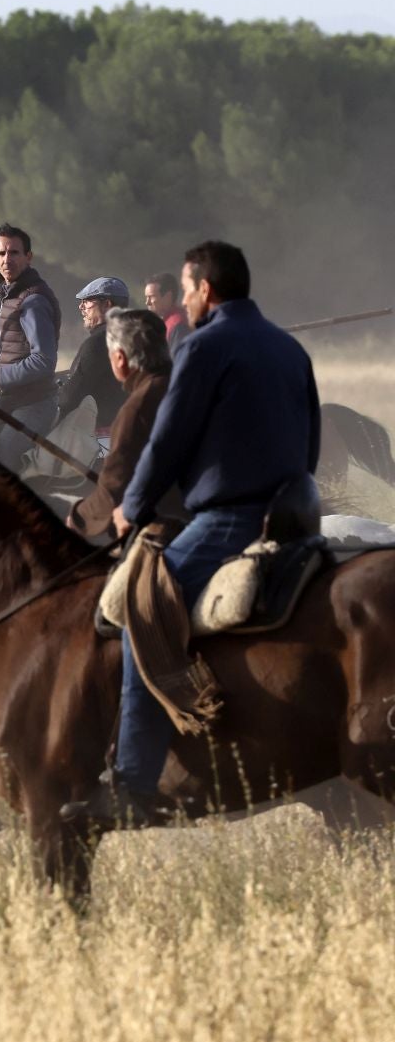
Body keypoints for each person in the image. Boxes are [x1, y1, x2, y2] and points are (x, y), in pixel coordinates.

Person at [63, 241, 322, 828]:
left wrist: (131, 505)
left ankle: (132, 782)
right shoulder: (289, 347)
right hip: (294, 514)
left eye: (185, 289)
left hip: (228, 521)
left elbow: (169, 441)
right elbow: (310, 443)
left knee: (141, 610)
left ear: (207, 289)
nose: (181, 300)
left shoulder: (203, 347)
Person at [66, 308, 184, 540]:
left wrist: (79, 517)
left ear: (119, 358)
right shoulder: (184, 384)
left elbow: (113, 489)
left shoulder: (139, 407)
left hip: (172, 521)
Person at [0, 223, 61, 473]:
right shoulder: (10, 295)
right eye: (1, 254)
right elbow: (18, 353)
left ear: (28, 257)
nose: (7, 259)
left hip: (35, 405)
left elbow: (43, 361)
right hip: (12, 400)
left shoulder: (33, 301)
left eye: (14, 253)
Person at [57, 277, 131, 449]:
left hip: (101, 441)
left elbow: (70, 397)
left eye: (87, 301)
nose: (81, 307)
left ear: (107, 305)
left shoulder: (98, 343)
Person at [145, 271, 192, 346]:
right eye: (146, 297)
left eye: (151, 297)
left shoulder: (178, 325)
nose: (147, 302)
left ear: (168, 297)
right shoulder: (164, 322)